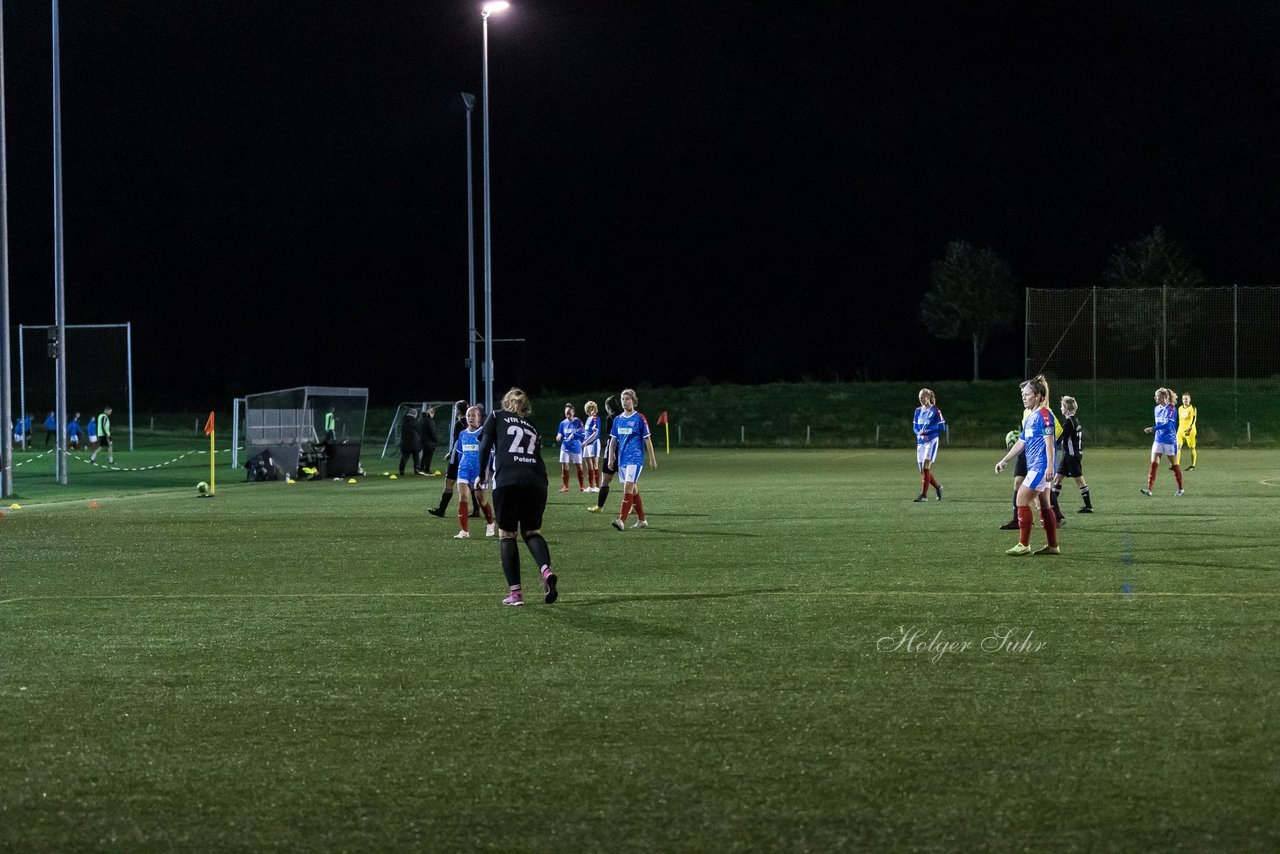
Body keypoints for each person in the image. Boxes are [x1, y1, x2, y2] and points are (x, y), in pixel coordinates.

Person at [477, 387, 557, 607]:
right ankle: (546, 570)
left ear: (506, 402)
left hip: (508, 479)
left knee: (507, 535)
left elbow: (484, 446)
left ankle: (516, 594)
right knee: (532, 532)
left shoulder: (496, 415)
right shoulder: (532, 426)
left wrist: (480, 474)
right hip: (537, 481)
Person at [995, 375, 1060, 556]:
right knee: (1044, 505)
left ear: (1038, 396)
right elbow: (1021, 442)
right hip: (1035, 467)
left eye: (1027, 394)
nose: (1024, 397)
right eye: (1023, 394)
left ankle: (1024, 544)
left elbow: (1049, 441)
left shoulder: (1045, 415)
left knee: (1021, 500)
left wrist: (1049, 467)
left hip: (1040, 467)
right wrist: (1005, 460)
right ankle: (1053, 546)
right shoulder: (1031, 416)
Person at [608, 388, 658, 530]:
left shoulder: (639, 418)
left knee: (628, 487)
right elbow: (613, 440)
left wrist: (652, 459)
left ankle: (621, 520)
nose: (624, 402)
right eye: (623, 399)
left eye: (627, 399)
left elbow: (647, 439)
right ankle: (642, 520)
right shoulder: (618, 420)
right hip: (622, 459)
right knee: (633, 489)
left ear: (634, 401)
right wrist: (611, 458)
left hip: (635, 458)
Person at [450, 405, 495, 539]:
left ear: (479, 418)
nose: (470, 418)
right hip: (464, 470)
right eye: (469, 415)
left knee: (481, 501)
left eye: (473, 415)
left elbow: (489, 454)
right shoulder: (462, 434)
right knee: (463, 498)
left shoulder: (484, 434)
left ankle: (490, 523)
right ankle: (464, 531)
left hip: (478, 471)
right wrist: (458, 468)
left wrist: (485, 472)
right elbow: (460, 454)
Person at [428, 400, 469, 517]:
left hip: (457, 457)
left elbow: (458, 442)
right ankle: (476, 510)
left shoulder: (458, 423)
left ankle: (441, 510)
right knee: (471, 485)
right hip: (469, 457)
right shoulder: (472, 423)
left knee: (449, 483)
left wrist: (451, 453)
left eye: (456, 409)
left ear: (459, 410)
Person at [1141, 387, 1184, 496]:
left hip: (1169, 440)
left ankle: (1180, 489)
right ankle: (1149, 490)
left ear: (1164, 396)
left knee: (1174, 465)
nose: (1155, 397)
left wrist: (1153, 428)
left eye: (1157, 395)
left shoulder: (1172, 408)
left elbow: (1169, 425)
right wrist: (1156, 430)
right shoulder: (1156, 408)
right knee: (1154, 464)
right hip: (1158, 440)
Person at [1053, 396, 1093, 513]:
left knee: (1079, 480)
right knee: (1057, 479)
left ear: (1065, 408)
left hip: (1071, 456)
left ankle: (1089, 506)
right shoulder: (1074, 420)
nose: (1060, 408)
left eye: (1061, 406)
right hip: (1068, 455)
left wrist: (1051, 444)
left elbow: (1061, 438)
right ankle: (1051, 505)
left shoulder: (1069, 422)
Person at [911, 388, 945, 502]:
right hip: (920, 442)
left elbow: (942, 427)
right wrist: (919, 433)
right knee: (923, 471)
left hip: (931, 441)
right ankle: (938, 487)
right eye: (919, 398)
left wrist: (928, 431)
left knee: (926, 467)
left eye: (923, 397)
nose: (921, 399)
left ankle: (924, 496)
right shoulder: (917, 411)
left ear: (929, 397)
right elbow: (915, 427)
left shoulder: (935, 411)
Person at [588, 396, 620, 514]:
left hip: (612, 452)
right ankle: (633, 507)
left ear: (608, 407)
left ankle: (600, 507)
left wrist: (611, 455)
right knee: (629, 483)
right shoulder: (623, 416)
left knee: (605, 480)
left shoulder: (610, 417)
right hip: (624, 452)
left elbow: (612, 438)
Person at [555, 403, 586, 493]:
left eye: (569, 412)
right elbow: (560, 432)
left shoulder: (578, 422)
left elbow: (583, 435)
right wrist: (558, 436)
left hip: (576, 447)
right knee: (564, 465)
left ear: (573, 412)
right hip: (565, 446)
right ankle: (565, 486)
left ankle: (582, 486)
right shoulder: (563, 423)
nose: (567, 414)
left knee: (579, 466)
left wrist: (574, 435)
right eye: (566, 413)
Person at [581, 401, 601, 492]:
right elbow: (587, 433)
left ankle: (597, 486)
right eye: (588, 408)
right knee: (589, 466)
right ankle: (591, 486)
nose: (590, 410)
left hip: (593, 443)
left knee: (595, 464)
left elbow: (595, 433)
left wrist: (586, 442)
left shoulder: (596, 418)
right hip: (587, 444)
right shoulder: (588, 419)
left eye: (592, 408)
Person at [1176, 392, 1198, 470]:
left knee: (1192, 448)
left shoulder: (1193, 408)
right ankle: (1176, 465)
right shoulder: (1180, 408)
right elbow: (1180, 420)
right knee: (1178, 447)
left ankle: (1192, 466)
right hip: (1180, 431)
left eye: (1186, 399)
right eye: (1183, 399)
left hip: (1190, 432)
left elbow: (1194, 420)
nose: (1185, 400)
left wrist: (1190, 428)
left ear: (1190, 399)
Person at [397, 409, 421, 477]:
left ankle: (401, 470)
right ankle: (417, 470)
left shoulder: (404, 422)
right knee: (416, 457)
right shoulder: (415, 422)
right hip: (414, 443)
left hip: (405, 443)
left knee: (404, 457)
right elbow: (419, 431)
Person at [418, 406, 439, 475]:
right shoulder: (430, 421)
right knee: (429, 456)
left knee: (424, 455)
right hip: (430, 442)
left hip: (423, 441)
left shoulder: (421, 420)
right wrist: (436, 439)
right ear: (431, 414)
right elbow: (432, 432)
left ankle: (421, 468)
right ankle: (427, 469)